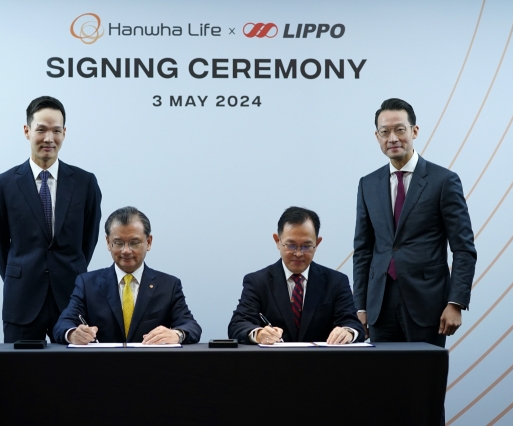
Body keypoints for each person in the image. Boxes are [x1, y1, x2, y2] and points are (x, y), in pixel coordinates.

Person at [353, 98, 477, 348]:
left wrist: (456, 302)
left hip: (428, 304)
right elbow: (363, 251)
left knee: (423, 383)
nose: (393, 138)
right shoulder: (368, 184)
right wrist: (361, 306)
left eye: (400, 129)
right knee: (381, 383)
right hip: (380, 306)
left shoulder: (443, 181)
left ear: (414, 131)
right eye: (385, 132)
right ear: (377, 136)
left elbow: (463, 249)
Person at [0, 96, 102, 343]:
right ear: (27, 131)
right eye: (41, 129)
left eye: (56, 131)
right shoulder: (3, 185)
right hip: (22, 299)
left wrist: (69, 270)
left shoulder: (85, 183)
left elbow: (88, 242)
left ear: (64, 133)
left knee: (74, 377)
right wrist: (19, 275)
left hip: (72, 297)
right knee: (20, 377)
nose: (49, 138)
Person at [53, 207, 202, 344]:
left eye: (134, 243)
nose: (126, 251)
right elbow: (62, 325)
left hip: (151, 368)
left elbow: (191, 326)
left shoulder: (169, 285)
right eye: (118, 243)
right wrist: (72, 334)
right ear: (108, 242)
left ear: (148, 242)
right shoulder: (87, 283)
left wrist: (177, 334)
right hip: (102, 367)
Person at [228, 207, 364, 345]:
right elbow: (238, 324)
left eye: (306, 246)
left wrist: (348, 331)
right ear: (277, 241)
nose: (298, 253)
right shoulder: (257, 282)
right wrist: (258, 334)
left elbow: (353, 323)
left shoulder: (336, 281)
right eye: (291, 245)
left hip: (321, 363)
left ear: (317, 243)